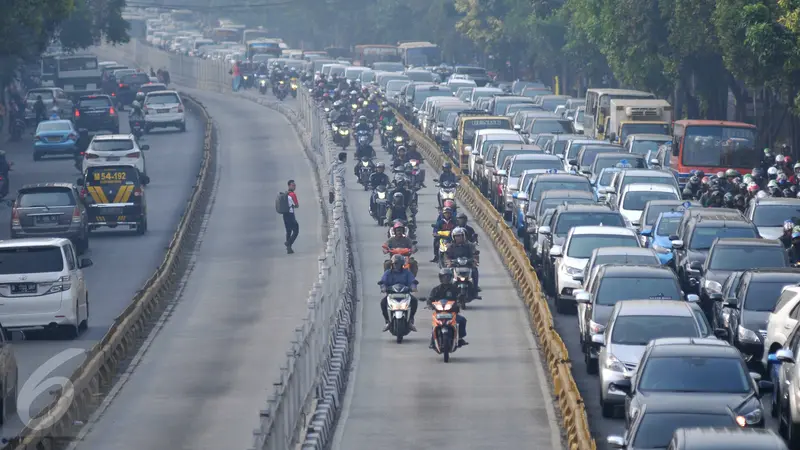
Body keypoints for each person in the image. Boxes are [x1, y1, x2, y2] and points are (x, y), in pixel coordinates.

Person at [428, 268, 468, 348]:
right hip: (439, 313)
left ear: (450, 277)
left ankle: (460, 338)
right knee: (434, 324)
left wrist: (460, 301)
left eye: (447, 277)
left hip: (452, 312)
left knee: (462, 320)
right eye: (444, 277)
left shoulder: (455, 289)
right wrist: (430, 304)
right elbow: (430, 299)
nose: (446, 279)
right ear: (440, 278)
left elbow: (460, 297)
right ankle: (433, 340)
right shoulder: (436, 289)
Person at [378, 254, 418, 331]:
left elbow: (412, 281)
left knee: (414, 301)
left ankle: (410, 320)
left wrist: (413, 287)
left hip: (405, 295)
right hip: (391, 295)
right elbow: (383, 281)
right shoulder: (388, 273)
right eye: (394, 264)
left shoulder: (407, 273)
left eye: (398, 264)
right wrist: (383, 287)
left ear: (401, 264)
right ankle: (387, 321)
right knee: (383, 303)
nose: (396, 265)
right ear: (392, 264)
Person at [443, 227, 480, 293]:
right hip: (454, 265)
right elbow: (446, 255)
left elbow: (475, 253)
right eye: (456, 236)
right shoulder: (451, 246)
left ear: (463, 236)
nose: (458, 237)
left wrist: (475, 260)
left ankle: (475, 288)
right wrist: (448, 262)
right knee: (446, 273)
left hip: (468, 264)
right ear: (453, 237)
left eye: (460, 236)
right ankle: (446, 289)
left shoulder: (469, 245)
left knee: (475, 271)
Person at [283, 180, 300, 254]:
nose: (294, 186)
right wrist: (294, 205)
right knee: (296, 230)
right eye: (293, 185)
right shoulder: (292, 194)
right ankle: (288, 243)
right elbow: (297, 205)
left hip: (285, 215)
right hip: (290, 215)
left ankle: (289, 249)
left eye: (294, 185)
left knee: (288, 231)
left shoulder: (285, 194)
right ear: (289, 186)